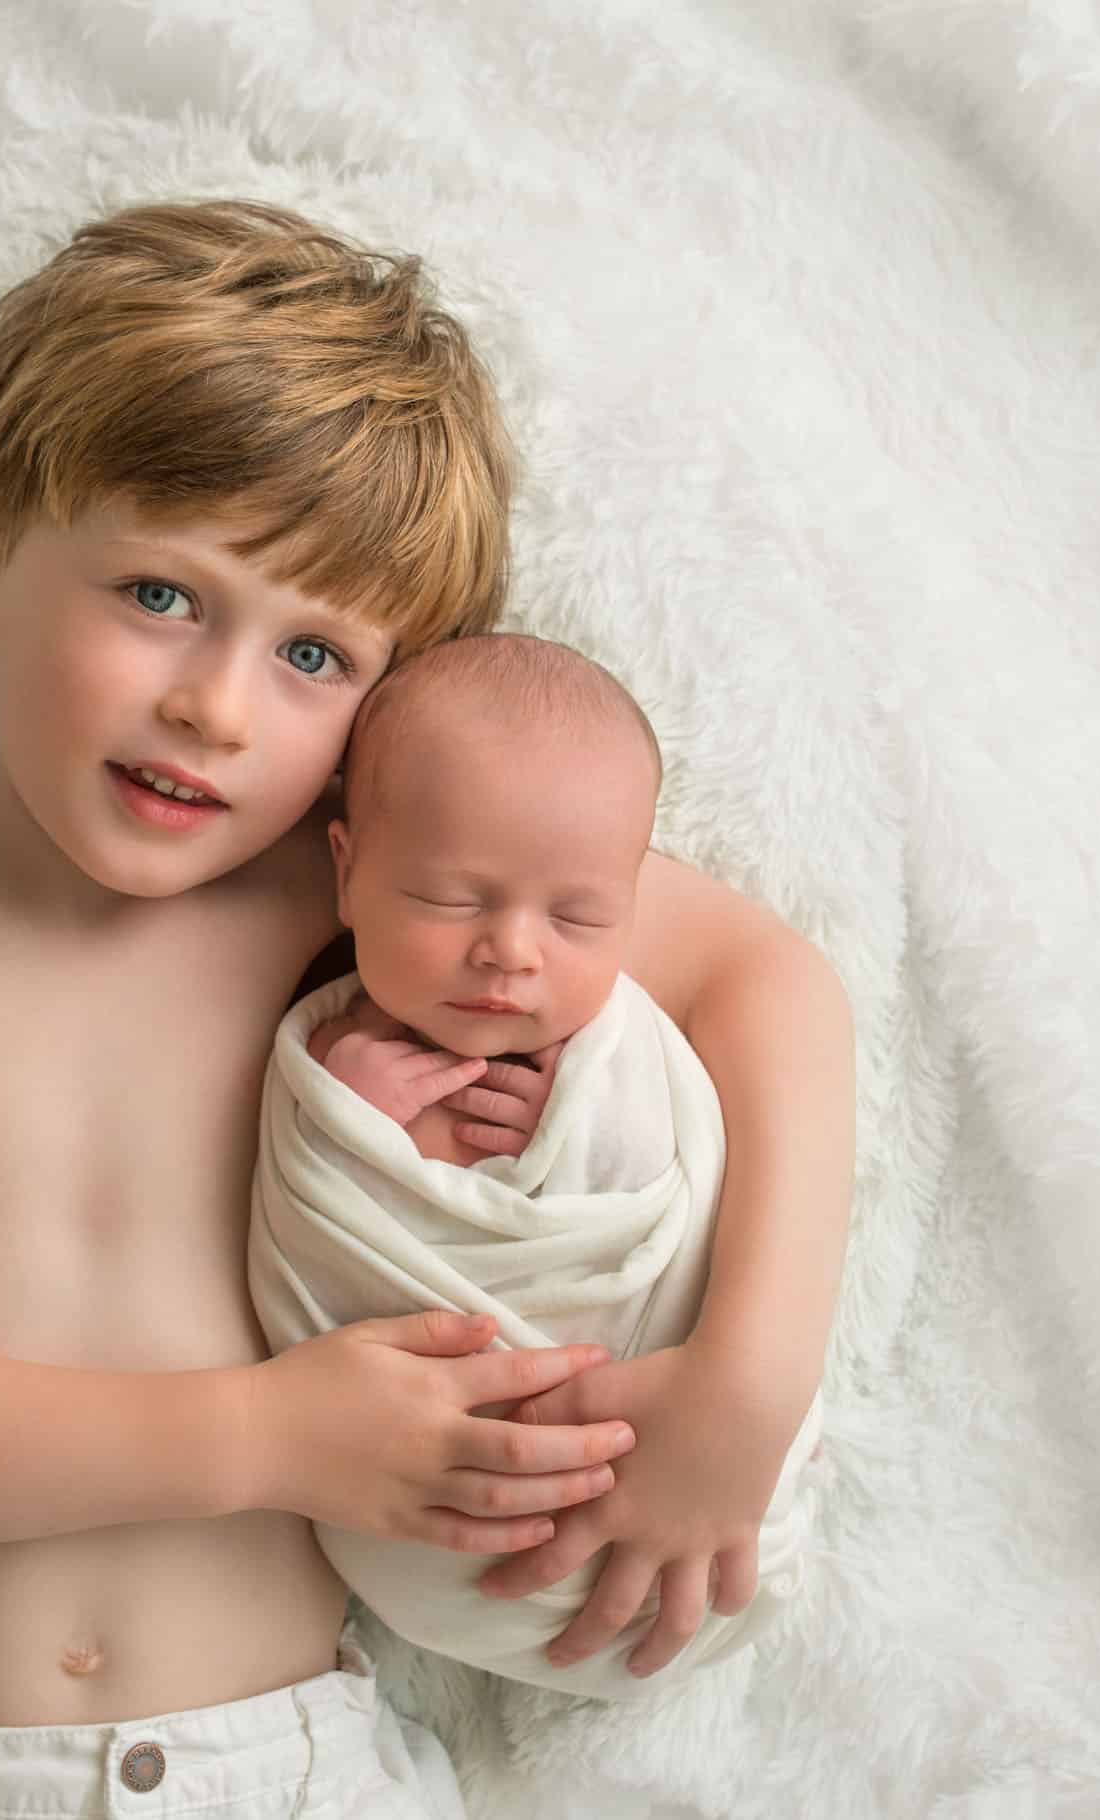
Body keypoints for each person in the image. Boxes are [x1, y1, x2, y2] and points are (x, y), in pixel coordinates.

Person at [0, 199, 853, 1820]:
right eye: (158, 596)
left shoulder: (352, 896)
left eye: (311, 653)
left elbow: (764, 982)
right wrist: (263, 1440)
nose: (213, 706)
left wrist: (744, 1385)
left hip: (283, 1768)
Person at [249, 631, 825, 1698]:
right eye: (452, 900)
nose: (513, 950)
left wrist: (588, 1115)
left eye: (578, 916)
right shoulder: (321, 1055)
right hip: (437, 1522)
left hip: (704, 1474)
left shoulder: (618, 1043)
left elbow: (668, 1166)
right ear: (348, 869)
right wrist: (352, 1122)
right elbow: (325, 1229)